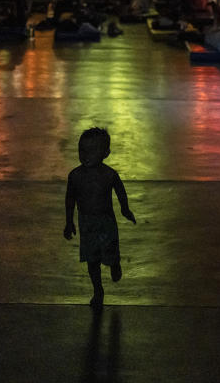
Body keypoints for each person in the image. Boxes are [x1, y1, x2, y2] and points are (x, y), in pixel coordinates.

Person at [63, 127, 136, 310]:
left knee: (109, 250)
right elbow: (70, 199)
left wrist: (125, 209)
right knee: (92, 259)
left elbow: (120, 192)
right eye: (82, 150)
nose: (86, 155)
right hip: (87, 224)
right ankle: (98, 290)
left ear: (106, 153)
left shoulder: (109, 175)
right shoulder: (75, 176)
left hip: (106, 222)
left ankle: (114, 263)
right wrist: (69, 221)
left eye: (92, 151)